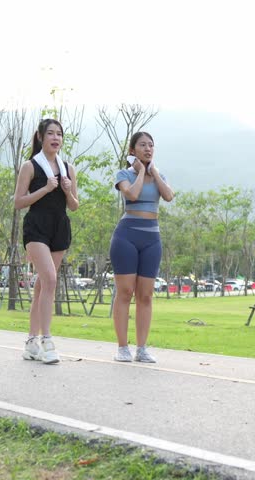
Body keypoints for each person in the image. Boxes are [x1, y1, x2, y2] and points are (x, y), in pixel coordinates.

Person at [14, 119, 79, 364]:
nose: (55, 137)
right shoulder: (30, 166)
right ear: (41, 137)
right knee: (50, 279)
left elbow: (74, 206)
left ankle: (31, 341)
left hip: (60, 227)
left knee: (42, 286)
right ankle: (47, 341)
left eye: (59, 134)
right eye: (50, 133)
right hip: (36, 227)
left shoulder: (68, 168)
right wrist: (45, 189)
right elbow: (18, 202)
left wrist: (66, 190)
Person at [109, 132, 174, 363]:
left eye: (151, 145)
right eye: (143, 145)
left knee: (146, 295)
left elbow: (168, 196)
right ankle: (122, 347)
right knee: (125, 293)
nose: (148, 149)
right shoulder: (123, 174)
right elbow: (133, 194)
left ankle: (142, 348)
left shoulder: (159, 176)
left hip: (152, 239)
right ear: (133, 150)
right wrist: (141, 172)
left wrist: (153, 171)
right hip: (126, 236)